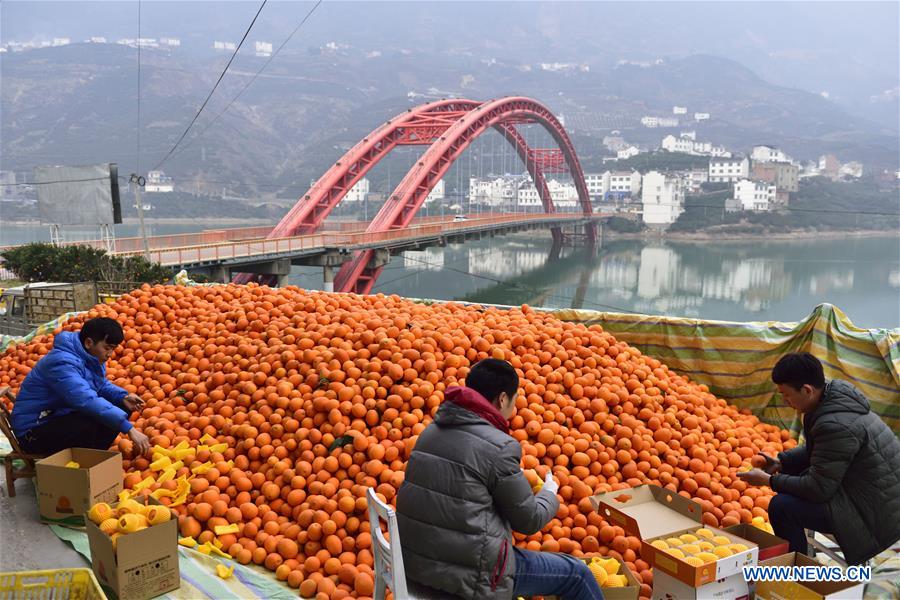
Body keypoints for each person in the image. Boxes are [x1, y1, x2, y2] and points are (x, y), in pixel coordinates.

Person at [396, 358, 603, 600]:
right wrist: (549, 492)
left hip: (417, 569)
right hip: (471, 579)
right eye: (515, 400)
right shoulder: (499, 447)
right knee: (578, 574)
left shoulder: (430, 431)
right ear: (503, 399)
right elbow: (529, 520)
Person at [738, 352, 900, 566]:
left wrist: (769, 481)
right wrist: (781, 462)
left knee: (781, 507)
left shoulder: (835, 425)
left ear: (807, 390)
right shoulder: (832, 398)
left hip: (876, 514)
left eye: (786, 395)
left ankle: (799, 575)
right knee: (792, 475)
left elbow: (818, 488)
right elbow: (821, 450)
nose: (785, 402)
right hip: (873, 492)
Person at [10, 317, 150, 456]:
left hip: (57, 417)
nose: (109, 354)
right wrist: (128, 428)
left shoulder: (89, 356)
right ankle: (87, 461)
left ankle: (92, 458)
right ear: (89, 342)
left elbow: (99, 384)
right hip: (33, 432)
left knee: (123, 405)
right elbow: (85, 399)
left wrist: (122, 396)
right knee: (89, 418)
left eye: (113, 349)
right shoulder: (61, 362)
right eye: (107, 348)